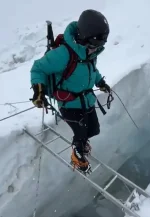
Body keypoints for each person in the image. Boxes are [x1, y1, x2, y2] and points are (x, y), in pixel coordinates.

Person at [30, 9, 111, 174]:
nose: (97, 49)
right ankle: (77, 154)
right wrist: (39, 91)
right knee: (80, 133)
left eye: (100, 44)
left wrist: (100, 82)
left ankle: (82, 143)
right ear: (85, 37)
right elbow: (38, 68)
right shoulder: (64, 54)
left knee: (93, 129)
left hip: (86, 99)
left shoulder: (89, 52)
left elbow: (92, 70)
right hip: (69, 102)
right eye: (95, 44)